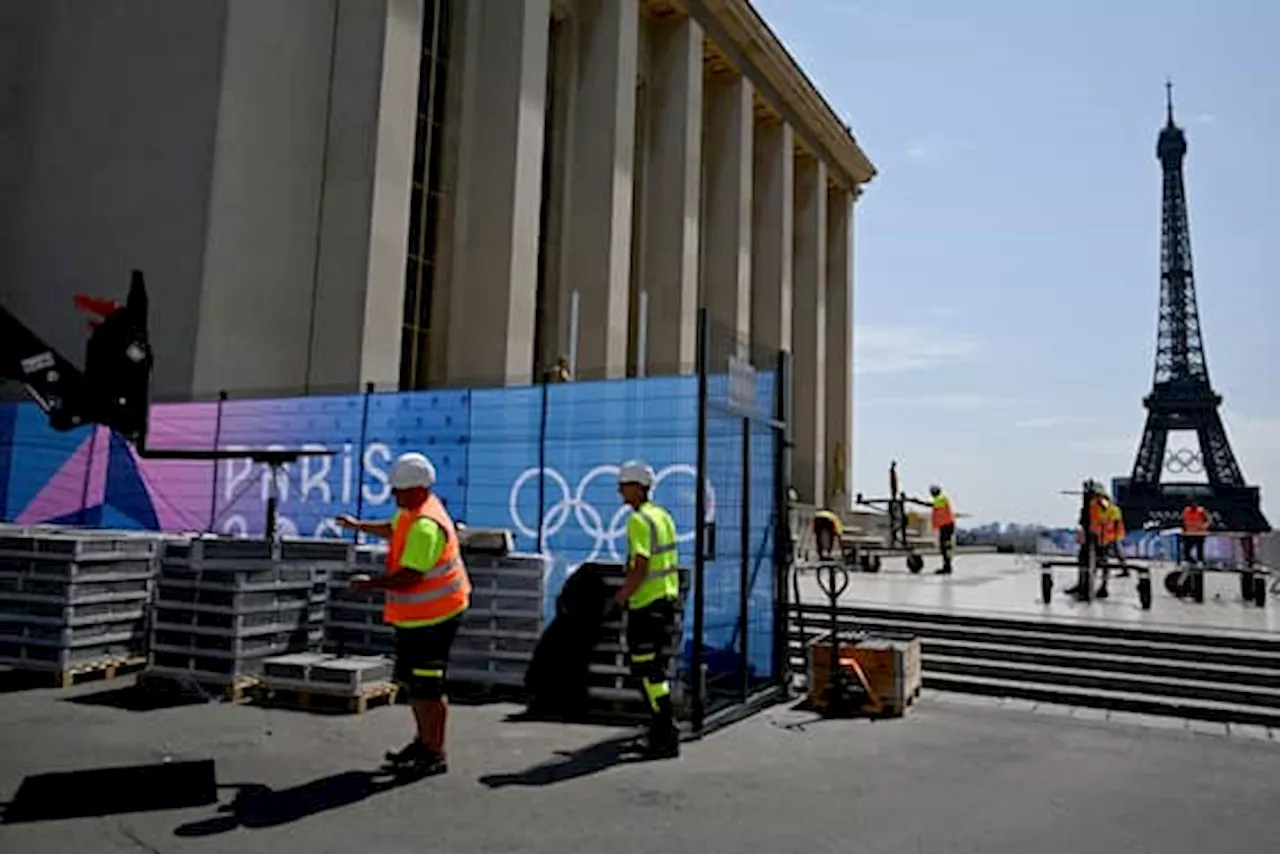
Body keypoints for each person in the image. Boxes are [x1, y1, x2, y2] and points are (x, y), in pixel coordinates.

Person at [336, 452, 471, 775]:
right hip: (419, 618)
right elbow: (391, 529)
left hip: (434, 619)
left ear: (419, 489)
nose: (394, 496)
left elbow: (411, 576)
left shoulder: (426, 525)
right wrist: (358, 526)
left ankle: (434, 752)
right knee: (416, 686)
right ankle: (424, 742)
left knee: (428, 687)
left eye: (399, 491)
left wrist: (370, 584)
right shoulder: (412, 512)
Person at [614, 460, 682, 759]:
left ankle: (665, 732)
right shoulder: (662, 516)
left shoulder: (639, 520)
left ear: (637, 488)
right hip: (666, 602)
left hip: (646, 605)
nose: (619, 490)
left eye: (624, 485)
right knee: (653, 669)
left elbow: (640, 566)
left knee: (646, 671)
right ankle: (660, 729)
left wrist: (620, 597)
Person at [929, 485, 956, 575]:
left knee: (945, 546)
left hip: (946, 525)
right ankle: (947, 566)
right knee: (945, 546)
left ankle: (947, 567)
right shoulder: (941, 499)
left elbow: (932, 505)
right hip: (945, 525)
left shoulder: (940, 499)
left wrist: (916, 501)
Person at [1181, 498, 1209, 566]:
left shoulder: (1201, 510)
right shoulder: (1186, 510)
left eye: (1195, 503)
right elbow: (1183, 519)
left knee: (1199, 548)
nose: (1194, 504)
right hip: (1189, 532)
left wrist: (1205, 525)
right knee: (1187, 548)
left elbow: (1209, 519)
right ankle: (1187, 560)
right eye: (1192, 503)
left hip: (1199, 532)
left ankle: (1200, 561)